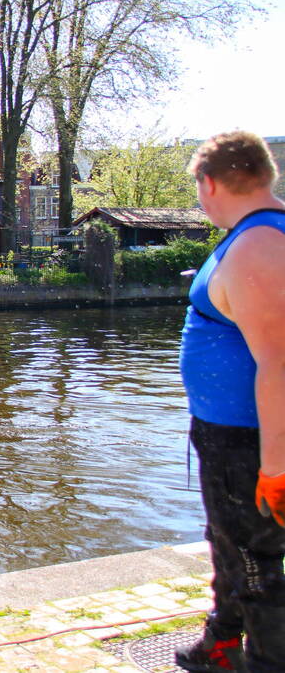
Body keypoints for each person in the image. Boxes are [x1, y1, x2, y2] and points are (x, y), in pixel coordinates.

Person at [177, 131, 285, 672]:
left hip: (249, 442)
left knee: (257, 560)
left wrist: (275, 467)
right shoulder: (260, 236)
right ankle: (221, 643)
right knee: (229, 542)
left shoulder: (259, 244)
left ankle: (266, 661)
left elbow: (279, 362)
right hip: (233, 437)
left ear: (210, 182)